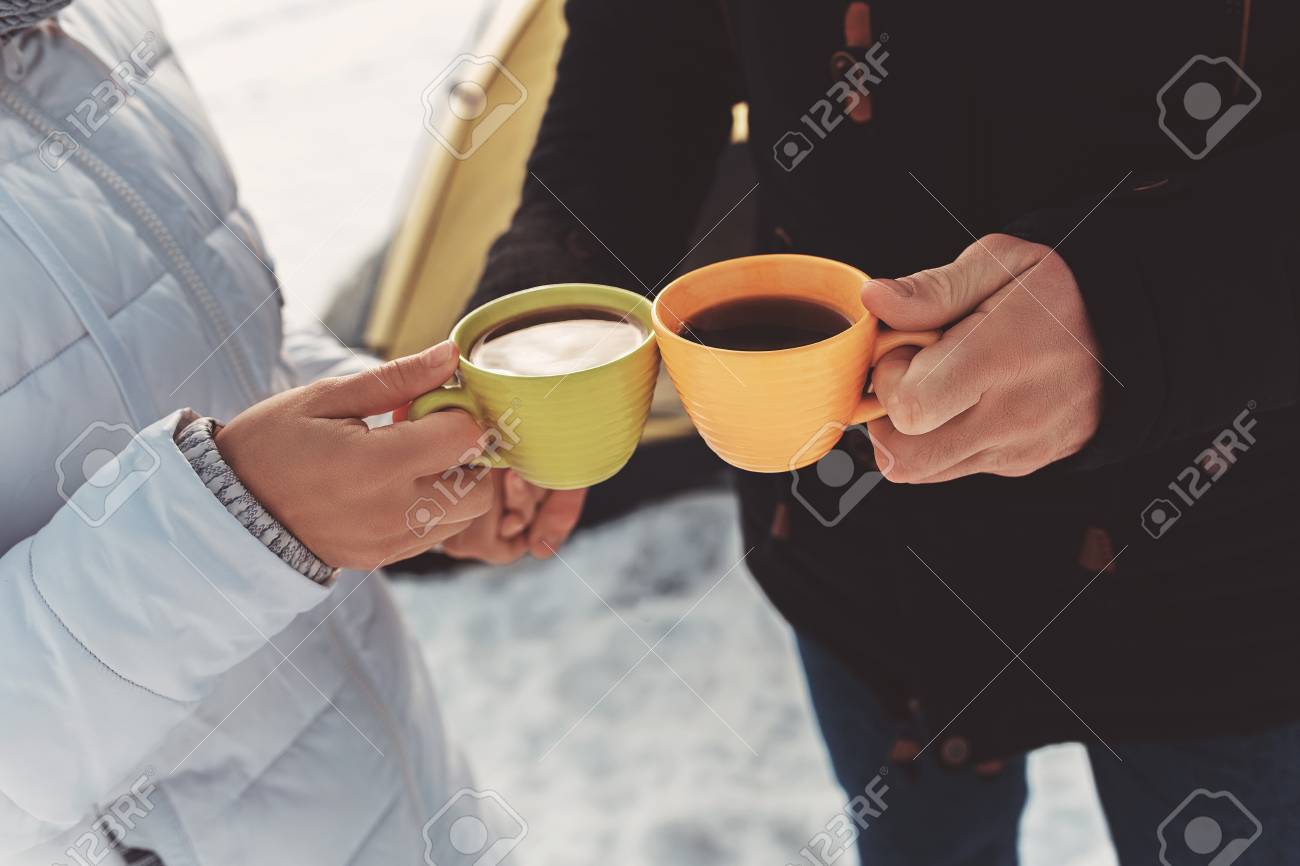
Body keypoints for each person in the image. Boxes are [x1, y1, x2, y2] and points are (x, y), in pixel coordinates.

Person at [468, 0, 1300, 862]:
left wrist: (1140, 313)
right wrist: (548, 325)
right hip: (867, 555)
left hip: (1231, 571)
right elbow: (644, 55)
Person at [0, 2, 540, 863]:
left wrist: (401, 454)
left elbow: (220, 343)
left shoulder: (96, 20)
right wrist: (239, 525)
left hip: (401, 791)